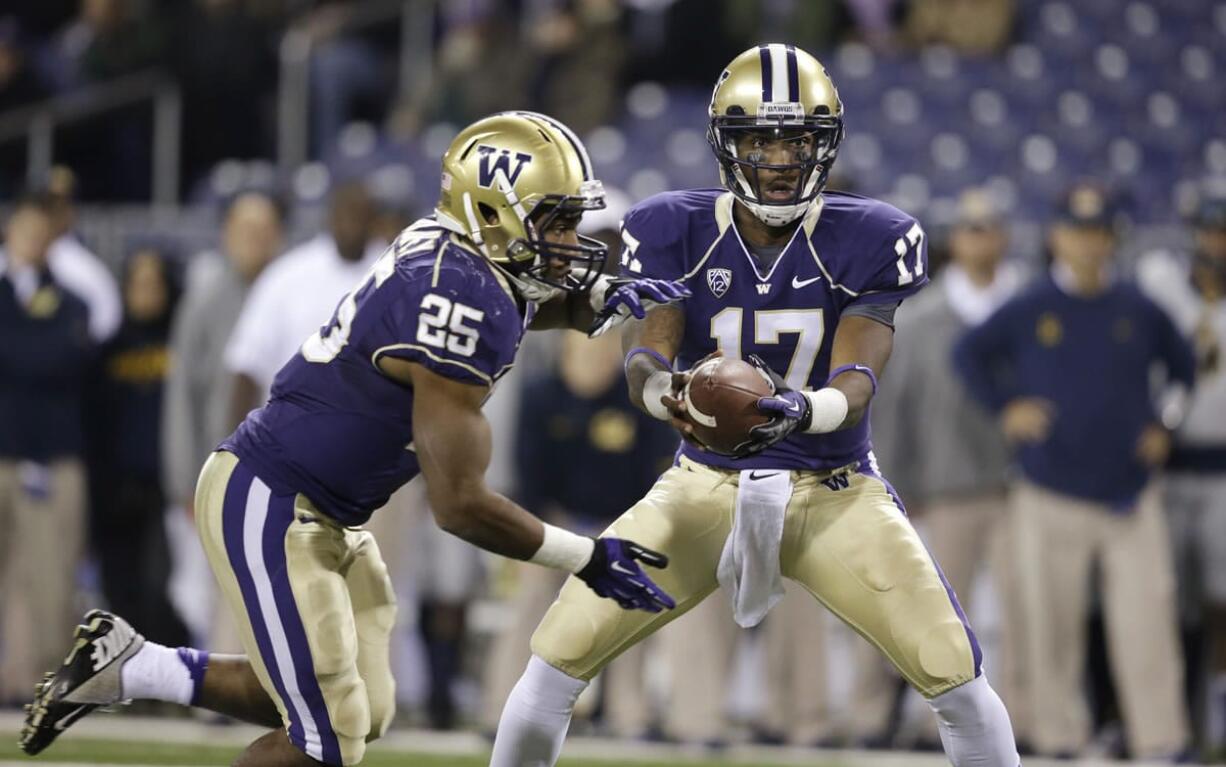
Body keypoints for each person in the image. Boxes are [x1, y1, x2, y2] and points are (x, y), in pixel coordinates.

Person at [20, 111, 690, 766]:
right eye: (558, 222)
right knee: (325, 735)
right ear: (493, 215)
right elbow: (458, 503)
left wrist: (609, 294)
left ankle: (135, 667)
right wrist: (587, 556)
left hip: (326, 510)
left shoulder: (467, 256)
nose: (573, 242)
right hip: (271, 497)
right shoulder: (458, 297)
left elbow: (525, 297)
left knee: (356, 705)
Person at [490, 44, 1020, 767]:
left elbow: (861, 370)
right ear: (726, 145)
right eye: (759, 138)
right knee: (558, 653)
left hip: (833, 487)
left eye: (794, 138)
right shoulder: (673, 226)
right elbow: (648, 351)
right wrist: (664, 394)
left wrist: (804, 411)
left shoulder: (872, 235)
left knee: (952, 667)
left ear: (822, 145)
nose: (776, 157)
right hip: (703, 484)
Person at [955, 181, 1194, 759]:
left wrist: (1165, 424)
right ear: (1057, 236)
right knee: (1049, 625)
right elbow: (969, 356)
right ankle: (1058, 737)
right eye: (1078, 232)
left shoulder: (1138, 307)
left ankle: (1160, 739)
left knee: (1147, 625)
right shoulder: (1031, 306)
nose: (1089, 244)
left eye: (1098, 233)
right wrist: (1007, 407)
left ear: (1113, 238)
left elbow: (1185, 370)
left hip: (1130, 496)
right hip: (1049, 490)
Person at [859, 187, 1028, 748]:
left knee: (1026, 618)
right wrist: (897, 484)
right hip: (943, 486)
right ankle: (882, 718)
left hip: (1020, 488)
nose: (981, 239)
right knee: (920, 615)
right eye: (971, 228)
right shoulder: (924, 316)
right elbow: (896, 404)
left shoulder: (1028, 309)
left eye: (990, 227)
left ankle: (1027, 726)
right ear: (955, 237)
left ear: (1004, 235)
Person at [1137, 188, 1226, 754]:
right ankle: (1176, 719)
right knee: (1168, 603)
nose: (1215, 242)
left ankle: (1214, 712)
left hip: (1223, 466)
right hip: (1169, 464)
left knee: (1222, 599)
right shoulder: (1163, 288)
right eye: (1209, 232)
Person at [0, 193, 94, 705]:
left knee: (49, 576)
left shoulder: (73, 299)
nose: (32, 241)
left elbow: (58, 361)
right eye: (24, 230)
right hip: (5, 450)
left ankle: (37, 684)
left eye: (41, 232)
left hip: (52, 455)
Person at [87, 245, 191, 649]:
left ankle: (169, 679)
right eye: (138, 283)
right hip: (116, 488)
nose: (146, 293)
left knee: (165, 588)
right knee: (119, 588)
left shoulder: (180, 342)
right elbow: (94, 424)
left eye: (154, 283)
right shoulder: (106, 350)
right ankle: (128, 682)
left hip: (167, 489)